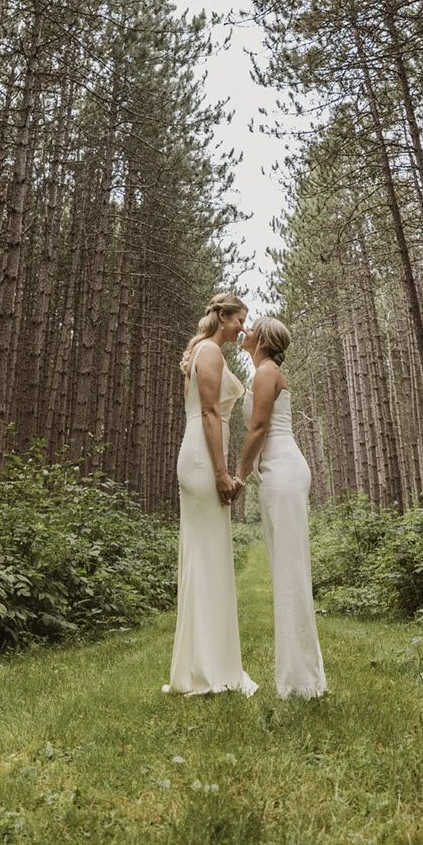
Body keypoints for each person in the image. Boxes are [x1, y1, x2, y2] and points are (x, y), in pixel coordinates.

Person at [164, 292, 258, 696]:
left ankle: (203, 665)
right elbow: (208, 412)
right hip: (203, 459)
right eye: (240, 319)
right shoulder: (210, 352)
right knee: (204, 555)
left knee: (207, 554)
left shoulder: (205, 350)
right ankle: (205, 670)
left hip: (201, 452)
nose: (243, 328)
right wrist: (222, 472)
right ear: (223, 316)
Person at [236, 316, 326, 699]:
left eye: (251, 327)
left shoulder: (267, 373)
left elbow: (258, 428)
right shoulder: (262, 372)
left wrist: (239, 475)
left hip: (284, 473)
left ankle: (301, 682)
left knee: (290, 574)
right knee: (284, 572)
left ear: (263, 340)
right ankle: (299, 677)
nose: (245, 331)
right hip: (277, 473)